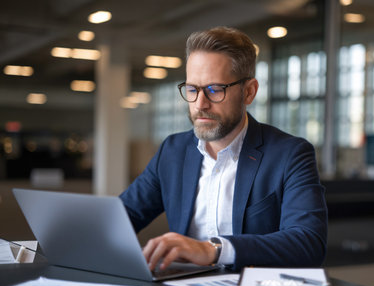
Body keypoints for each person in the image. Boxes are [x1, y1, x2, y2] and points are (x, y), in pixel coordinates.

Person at [120, 26, 327, 272]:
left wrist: (214, 250)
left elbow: (308, 242)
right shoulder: (173, 151)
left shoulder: (290, 154)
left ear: (249, 92)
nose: (200, 104)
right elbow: (123, 216)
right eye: (192, 89)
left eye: (214, 89)